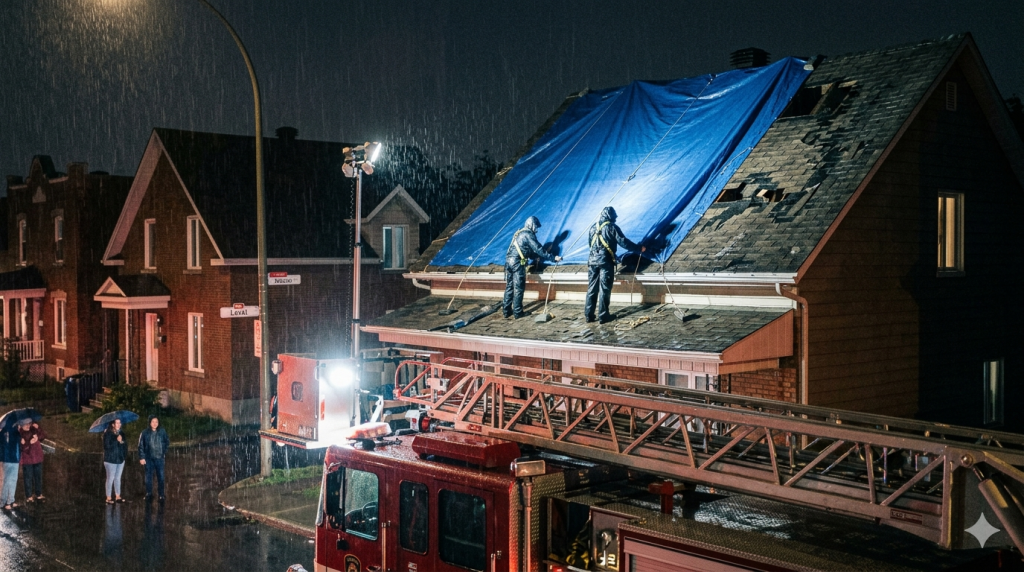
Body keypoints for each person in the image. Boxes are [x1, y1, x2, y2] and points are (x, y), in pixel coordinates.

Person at [584, 207, 645, 324]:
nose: (615, 218)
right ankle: (603, 316)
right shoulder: (612, 227)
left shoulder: (592, 228)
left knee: (592, 288)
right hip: (605, 262)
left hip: (592, 262)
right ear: (610, 216)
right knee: (605, 289)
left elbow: (590, 244)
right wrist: (638, 248)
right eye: (614, 216)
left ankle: (589, 315)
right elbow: (624, 242)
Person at [503, 216, 561, 319]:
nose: (537, 230)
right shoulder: (528, 234)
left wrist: (535, 256)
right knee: (518, 288)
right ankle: (518, 312)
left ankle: (506, 311)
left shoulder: (520, 233)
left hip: (508, 262)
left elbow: (527, 250)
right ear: (532, 225)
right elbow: (538, 249)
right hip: (517, 263)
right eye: (536, 227)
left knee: (509, 287)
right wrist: (553, 258)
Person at [138, 415, 170, 501]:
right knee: (148, 478)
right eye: (153, 422)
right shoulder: (144, 433)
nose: (155, 423)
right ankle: (149, 494)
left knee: (161, 477)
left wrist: (163, 452)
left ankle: (161, 494)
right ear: (150, 422)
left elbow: (167, 442)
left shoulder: (162, 431)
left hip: (159, 458)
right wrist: (142, 457)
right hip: (149, 459)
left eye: (156, 422)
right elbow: (141, 446)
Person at [18, 419, 46, 502]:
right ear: (21, 424)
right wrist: (29, 443)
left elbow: (43, 436)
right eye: (25, 424)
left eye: (29, 423)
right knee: (28, 477)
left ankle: (38, 494)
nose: (28, 425)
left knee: (38, 477)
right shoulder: (19, 433)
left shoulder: (33, 429)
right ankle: (29, 496)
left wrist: (38, 429)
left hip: (37, 457)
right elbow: (22, 448)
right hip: (27, 459)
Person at [103, 419, 128, 504]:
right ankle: (108, 497)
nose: (119, 424)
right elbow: (107, 446)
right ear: (113, 424)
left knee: (118, 478)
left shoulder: (122, 433)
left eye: (120, 423)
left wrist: (121, 442)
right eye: (117, 423)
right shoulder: (107, 433)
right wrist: (116, 440)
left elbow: (125, 445)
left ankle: (118, 496)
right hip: (110, 460)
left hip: (120, 459)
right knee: (110, 478)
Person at [1, 424, 20, 510]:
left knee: (12, 480)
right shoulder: (6, 432)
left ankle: (10, 500)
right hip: (9, 459)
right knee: (8, 480)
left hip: (14, 459)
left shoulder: (16, 432)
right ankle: (5, 502)